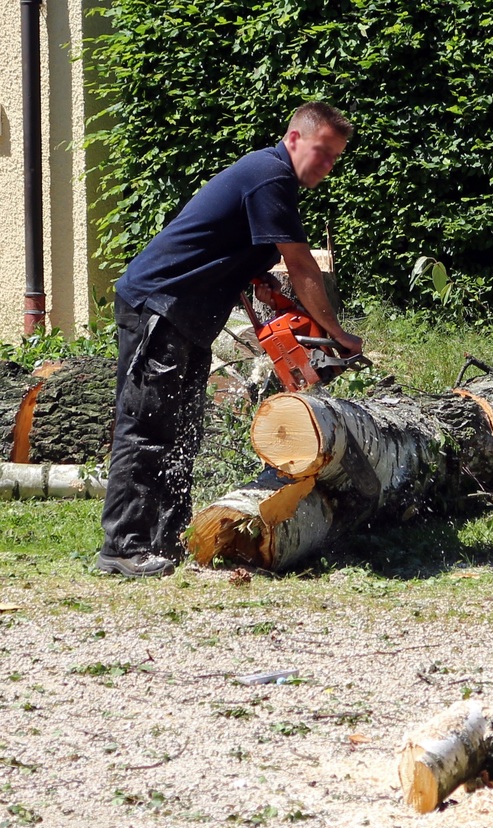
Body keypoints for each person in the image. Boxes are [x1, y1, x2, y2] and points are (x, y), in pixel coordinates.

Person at [98, 102, 363, 578]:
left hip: (186, 315)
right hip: (159, 307)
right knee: (147, 427)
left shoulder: (268, 178)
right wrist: (336, 334)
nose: (326, 165)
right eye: (322, 152)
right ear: (295, 138)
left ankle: (166, 540)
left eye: (334, 158)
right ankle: (123, 547)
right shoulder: (270, 176)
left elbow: (245, 265)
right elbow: (301, 266)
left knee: (183, 431)